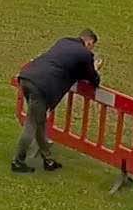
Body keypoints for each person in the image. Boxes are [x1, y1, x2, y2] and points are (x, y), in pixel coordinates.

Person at [13, 31, 101, 173]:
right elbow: (93, 80)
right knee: (32, 124)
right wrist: (95, 68)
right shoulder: (85, 55)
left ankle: (47, 159)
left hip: (27, 77)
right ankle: (17, 161)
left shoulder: (64, 40)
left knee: (39, 122)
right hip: (42, 87)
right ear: (89, 42)